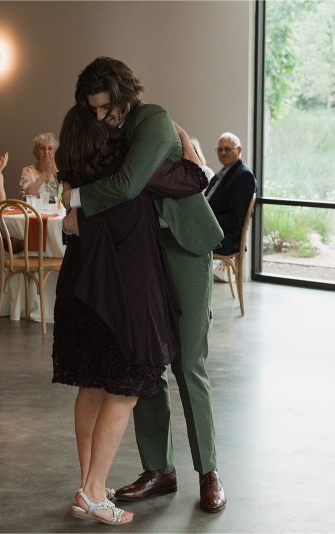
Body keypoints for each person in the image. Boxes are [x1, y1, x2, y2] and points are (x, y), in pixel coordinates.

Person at [61, 56, 227, 513]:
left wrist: (76, 197)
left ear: (122, 93)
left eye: (104, 107)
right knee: (143, 362)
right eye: (91, 109)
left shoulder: (152, 119)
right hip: (139, 257)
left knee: (188, 363)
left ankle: (208, 470)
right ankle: (159, 468)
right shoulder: (105, 131)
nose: (99, 116)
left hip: (184, 249)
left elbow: (131, 184)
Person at [205, 132, 258, 257]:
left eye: (227, 149)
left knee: (178, 242)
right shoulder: (221, 175)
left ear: (239, 150)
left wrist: (204, 222)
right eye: (220, 149)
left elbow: (234, 218)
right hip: (210, 230)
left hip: (224, 238)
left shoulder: (243, 176)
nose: (223, 152)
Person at [19, 133, 58, 200]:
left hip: (57, 209)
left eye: (50, 148)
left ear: (54, 151)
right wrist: (45, 174)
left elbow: (66, 195)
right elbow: (28, 195)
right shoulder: (27, 170)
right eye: (42, 148)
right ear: (37, 151)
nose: (46, 151)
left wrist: (56, 175)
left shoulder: (60, 170)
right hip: (35, 209)